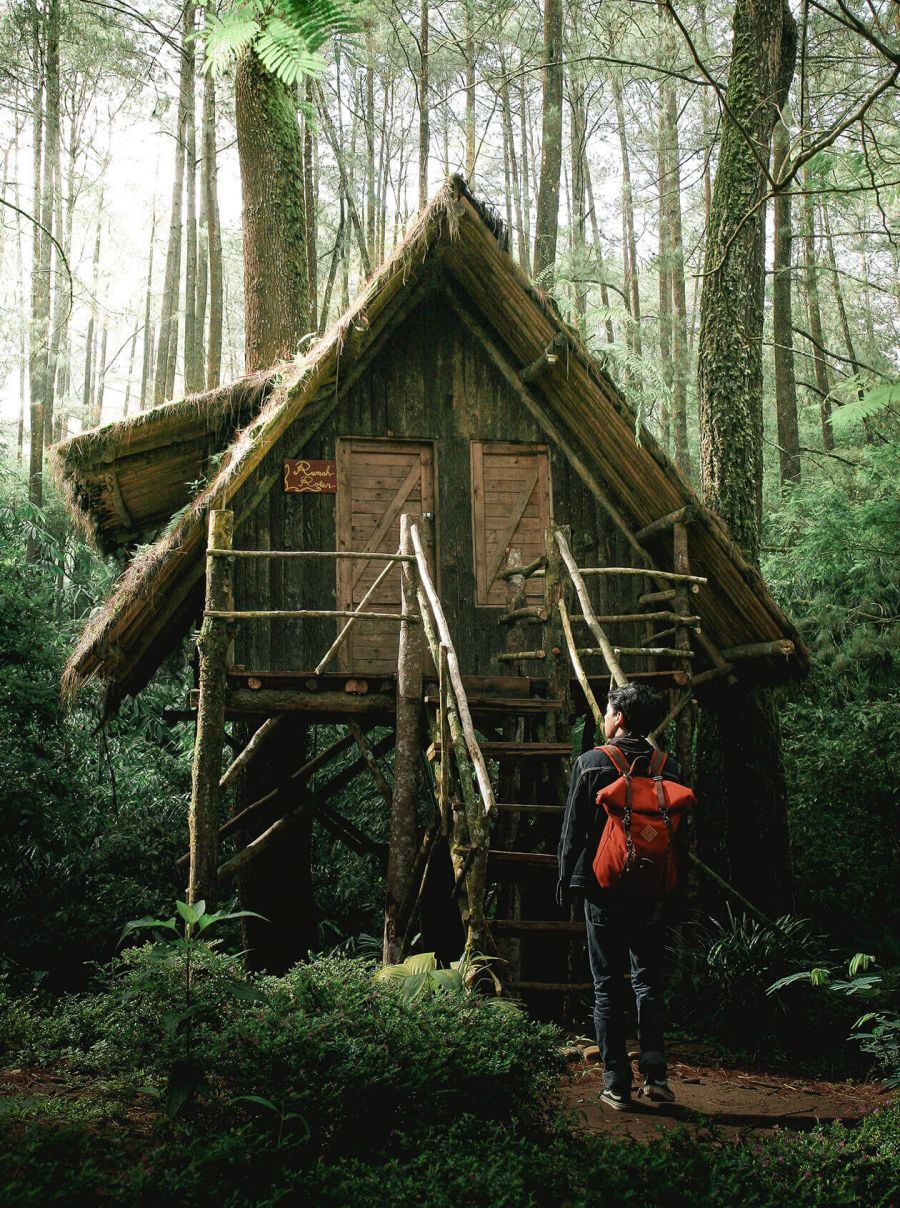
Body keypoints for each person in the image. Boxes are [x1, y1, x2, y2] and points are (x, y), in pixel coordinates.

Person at [556, 683, 686, 1111]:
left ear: (621, 718)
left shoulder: (591, 763)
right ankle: (657, 1078)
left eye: (610, 711)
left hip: (604, 891)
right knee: (648, 982)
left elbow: (573, 831)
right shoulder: (670, 769)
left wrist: (565, 880)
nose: (606, 718)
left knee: (607, 986)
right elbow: (679, 841)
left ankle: (616, 1083)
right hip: (652, 893)